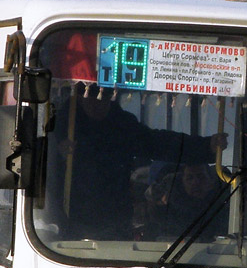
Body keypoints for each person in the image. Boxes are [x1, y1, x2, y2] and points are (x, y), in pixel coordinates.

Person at [48, 84, 227, 239]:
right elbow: (37, 167)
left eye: (105, 97)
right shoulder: (56, 126)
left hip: (115, 220)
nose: (99, 104)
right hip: (64, 221)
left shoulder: (121, 126)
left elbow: (158, 143)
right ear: (79, 97)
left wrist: (205, 147)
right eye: (92, 98)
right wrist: (56, 150)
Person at [145, 163, 228, 240]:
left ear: (211, 182)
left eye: (201, 177)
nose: (195, 182)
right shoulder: (171, 211)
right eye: (189, 178)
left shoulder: (225, 206)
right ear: (183, 183)